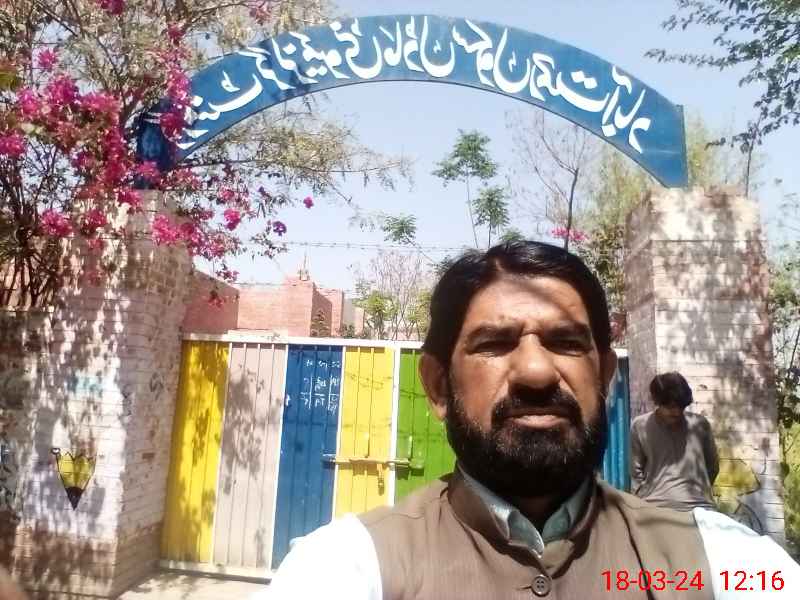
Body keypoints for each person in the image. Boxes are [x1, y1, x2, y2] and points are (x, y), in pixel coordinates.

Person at [265, 241, 798, 600]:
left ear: (604, 377)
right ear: (438, 386)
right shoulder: (347, 570)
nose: (537, 371)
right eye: (495, 343)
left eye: (566, 342)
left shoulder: (724, 563)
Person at [631, 372, 720, 511]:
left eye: (681, 407)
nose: (677, 412)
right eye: (671, 407)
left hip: (699, 507)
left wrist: (701, 492)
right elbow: (635, 470)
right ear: (657, 402)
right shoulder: (640, 426)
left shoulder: (700, 425)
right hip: (655, 506)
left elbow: (712, 466)